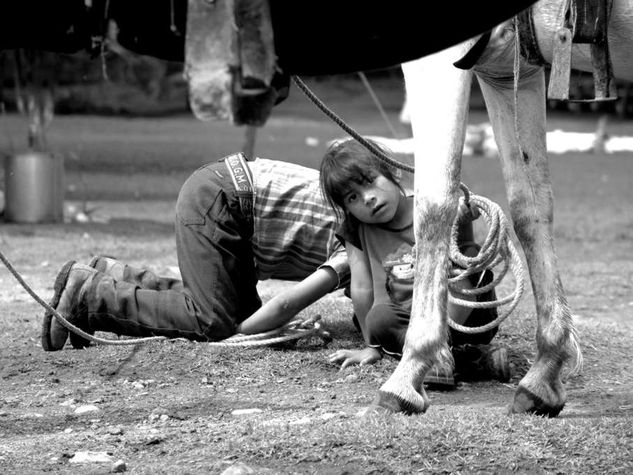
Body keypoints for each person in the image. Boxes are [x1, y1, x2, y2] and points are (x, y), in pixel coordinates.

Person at [41, 153, 349, 351]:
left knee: (231, 310)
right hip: (223, 201)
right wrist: (239, 333)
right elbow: (286, 306)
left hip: (225, 191)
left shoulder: (367, 216)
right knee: (213, 321)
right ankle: (94, 295)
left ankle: (117, 277)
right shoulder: (360, 245)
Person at [319, 139, 510, 385]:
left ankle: (438, 353)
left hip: (462, 316)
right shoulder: (358, 229)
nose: (367, 198)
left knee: (462, 272)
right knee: (380, 316)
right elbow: (364, 288)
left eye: (370, 181)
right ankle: (465, 360)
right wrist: (372, 346)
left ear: (394, 171)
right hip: (408, 321)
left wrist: (464, 222)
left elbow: (465, 256)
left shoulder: (432, 204)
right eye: (352, 198)